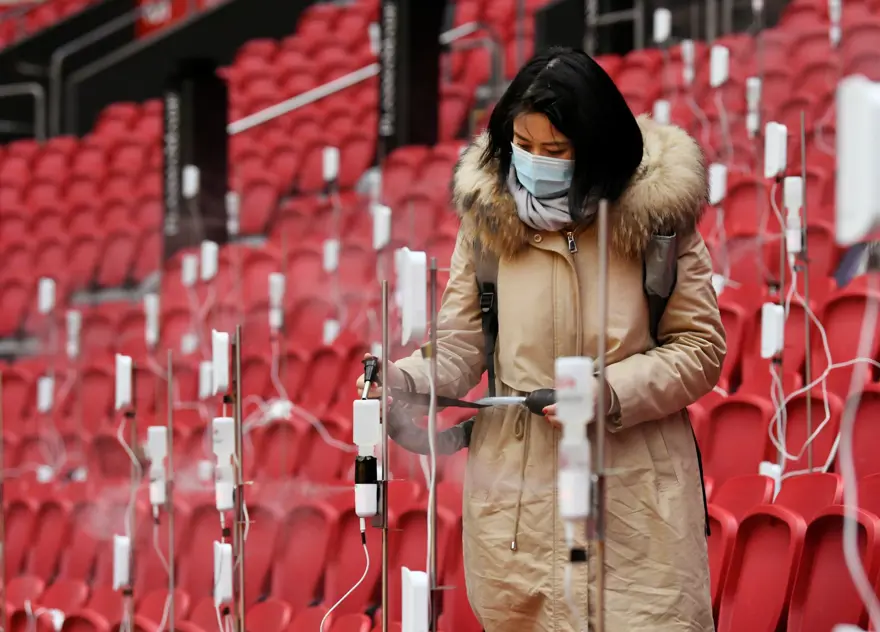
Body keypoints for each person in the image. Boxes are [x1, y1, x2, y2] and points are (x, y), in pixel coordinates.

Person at [357, 47, 725, 632]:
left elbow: (699, 350)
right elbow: (457, 348)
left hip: (634, 507)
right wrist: (402, 378)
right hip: (519, 515)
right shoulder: (487, 224)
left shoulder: (656, 222)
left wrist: (606, 393)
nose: (534, 163)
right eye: (523, 147)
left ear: (598, 148)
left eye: (554, 151)